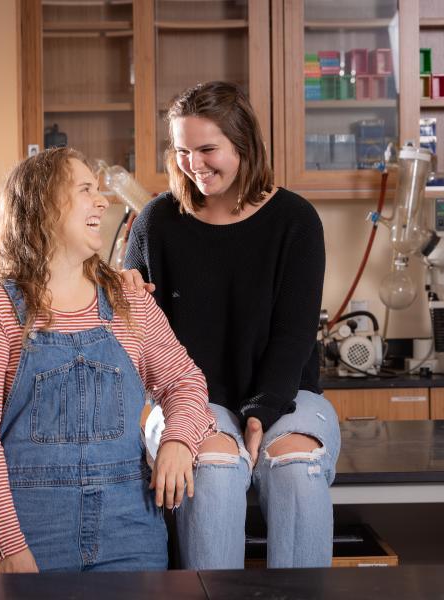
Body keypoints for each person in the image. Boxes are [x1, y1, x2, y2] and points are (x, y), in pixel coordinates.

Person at [0, 147, 215, 573]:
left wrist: (179, 440)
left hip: (129, 529)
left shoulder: (129, 301)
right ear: (40, 205)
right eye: (85, 189)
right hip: (26, 528)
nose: (103, 200)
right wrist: (8, 546)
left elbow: (184, 382)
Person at [123, 81, 341, 569]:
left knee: (294, 465)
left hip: (285, 391)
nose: (194, 164)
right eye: (182, 151)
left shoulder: (296, 221)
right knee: (215, 468)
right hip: (192, 398)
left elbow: (295, 332)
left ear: (243, 145)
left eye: (207, 149)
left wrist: (263, 408)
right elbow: (132, 331)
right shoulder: (156, 222)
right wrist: (122, 300)